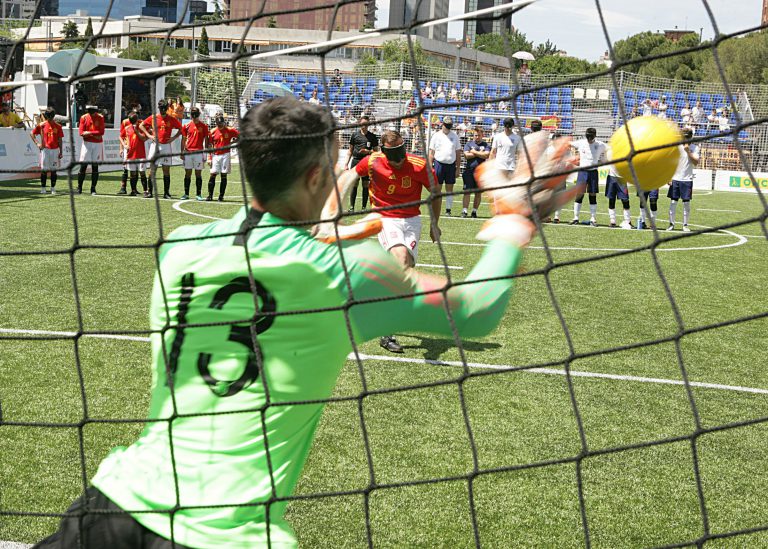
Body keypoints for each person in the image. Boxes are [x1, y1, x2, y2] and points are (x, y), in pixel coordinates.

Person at [33, 96, 578, 549]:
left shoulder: (179, 247)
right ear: (318, 175)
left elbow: (267, 253)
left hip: (113, 508)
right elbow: (477, 310)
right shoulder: (347, 274)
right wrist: (514, 218)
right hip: (228, 535)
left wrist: (318, 223)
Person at [350, 128, 440, 353]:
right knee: (400, 259)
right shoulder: (373, 161)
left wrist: (434, 224)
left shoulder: (419, 165)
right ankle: (386, 332)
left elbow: (435, 192)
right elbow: (350, 175)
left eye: (402, 155)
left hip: (412, 221)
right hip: (385, 217)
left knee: (407, 268)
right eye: (395, 158)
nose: (399, 162)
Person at [140, 99, 183, 199]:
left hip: (166, 146)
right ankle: (150, 192)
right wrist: (149, 135)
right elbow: (141, 125)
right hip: (155, 146)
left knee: (166, 170)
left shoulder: (171, 119)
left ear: (167, 108)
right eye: (161, 109)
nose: (163, 110)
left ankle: (166, 193)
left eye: (164, 108)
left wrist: (173, 138)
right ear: (159, 108)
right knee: (152, 169)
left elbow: (181, 129)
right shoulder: (153, 117)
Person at [571, 127, 607, 227]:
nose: (589, 140)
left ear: (594, 136)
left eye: (591, 138)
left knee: (592, 194)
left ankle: (593, 218)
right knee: (579, 194)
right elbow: (569, 144)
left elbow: (609, 148)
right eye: (588, 138)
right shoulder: (581, 143)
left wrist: (603, 159)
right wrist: (574, 154)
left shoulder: (600, 145)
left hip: (593, 172)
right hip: (582, 172)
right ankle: (575, 217)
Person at [667, 127, 699, 232]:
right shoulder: (676, 148)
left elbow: (696, 162)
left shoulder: (695, 148)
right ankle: (671, 224)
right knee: (673, 202)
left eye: (687, 137)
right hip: (676, 178)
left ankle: (685, 225)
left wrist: (688, 151)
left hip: (687, 179)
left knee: (686, 203)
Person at [428, 116, 462, 216]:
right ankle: (435, 208)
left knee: (449, 189)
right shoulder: (436, 136)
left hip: (451, 165)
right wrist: (430, 167)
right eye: (446, 125)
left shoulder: (455, 136)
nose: (448, 127)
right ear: (442, 124)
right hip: (439, 164)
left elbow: (458, 153)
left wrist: (458, 168)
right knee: (437, 189)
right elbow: (431, 152)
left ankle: (448, 210)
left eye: (449, 126)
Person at [346, 115, 378, 211]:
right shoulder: (354, 135)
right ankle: (352, 207)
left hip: (367, 162)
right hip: (355, 161)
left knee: (365, 184)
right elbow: (350, 150)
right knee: (354, 184)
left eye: (365, 124)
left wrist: (367, 152)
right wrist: (345, 164)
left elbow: (377, 152)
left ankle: (364, 207)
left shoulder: (372, 137)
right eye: (362, 123)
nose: (363, 125)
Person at [30, 107, 63, 195]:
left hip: (55, 150)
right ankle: (43, 188)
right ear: (46, 116)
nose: (50, 117)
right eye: (49, 116)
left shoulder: (58, 126)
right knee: (44, 170)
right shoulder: (41, 125)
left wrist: (61, 151)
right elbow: (32, 133)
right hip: (45, 150)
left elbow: (60, 140)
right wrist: (37, 144)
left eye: (52, 116)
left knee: (53, 170)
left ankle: (53, 188)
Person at [207, 114, 239, 201]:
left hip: (225, 155)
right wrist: (209, 157)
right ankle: (210, 196)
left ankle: (221, 196)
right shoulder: (212, 131)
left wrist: (231, 143)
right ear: (216, 123)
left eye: (222, 123)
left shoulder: (229, 130)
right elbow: (210, 145)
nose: (221, 125)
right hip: (215, 155)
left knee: (223, 175)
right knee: (213, 174)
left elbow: (240, 136)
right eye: (219, 123)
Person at [180, 106, 210, 201]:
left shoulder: (204, 126)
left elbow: (207, 139)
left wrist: (206, 153)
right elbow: (183, 139)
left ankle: (198, 194)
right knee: (187, 173)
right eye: (193, 114)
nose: (194, 116)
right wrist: (182, 152)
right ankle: (186, 193)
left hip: (198, 153)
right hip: (188, 152)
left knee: (198, 174)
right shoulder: (186, 126)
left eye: (195, 114)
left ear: (198, 114)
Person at [461, 127, 490, 218]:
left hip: (481, 172)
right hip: (469, 171)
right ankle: (464, 211)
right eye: (475, 135)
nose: (477, 137)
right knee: (467, 192)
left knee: (478, 193)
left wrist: (473, 152)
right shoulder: (469, 144)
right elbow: (466, 156)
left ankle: (474, 211)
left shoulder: (486, 145)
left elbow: (486, 155)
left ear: (482, 135)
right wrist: (478, 153)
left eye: (479, 135)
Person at [77, 104, 105, 195]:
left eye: (93, 112)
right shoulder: (83, 118)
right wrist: (95, 135)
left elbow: (101, 132)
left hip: (97, 144)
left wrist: (89, 133)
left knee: (95, 167)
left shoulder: (100, 117)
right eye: (90, 112)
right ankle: (79, 187)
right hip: (87, 144)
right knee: (83, 166)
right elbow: (81, 132)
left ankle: (93, 188)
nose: (91, 114)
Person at [123, 111, 150, 197]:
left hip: (141, 154)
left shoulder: (141, 127)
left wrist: (137, 131)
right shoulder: (127, 128)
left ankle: (145, 191)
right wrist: (125, 146)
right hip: (131, 154)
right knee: (132, 173)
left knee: (142, 173)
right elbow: (124, 138)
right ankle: (133, 190)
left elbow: (143, 138)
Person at [604, 163, 633, 229]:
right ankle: (612, 221)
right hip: (611, 177)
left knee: (625, 200)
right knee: (611, 199)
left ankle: (628, 221)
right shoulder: (610, 153)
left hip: (622, 178)